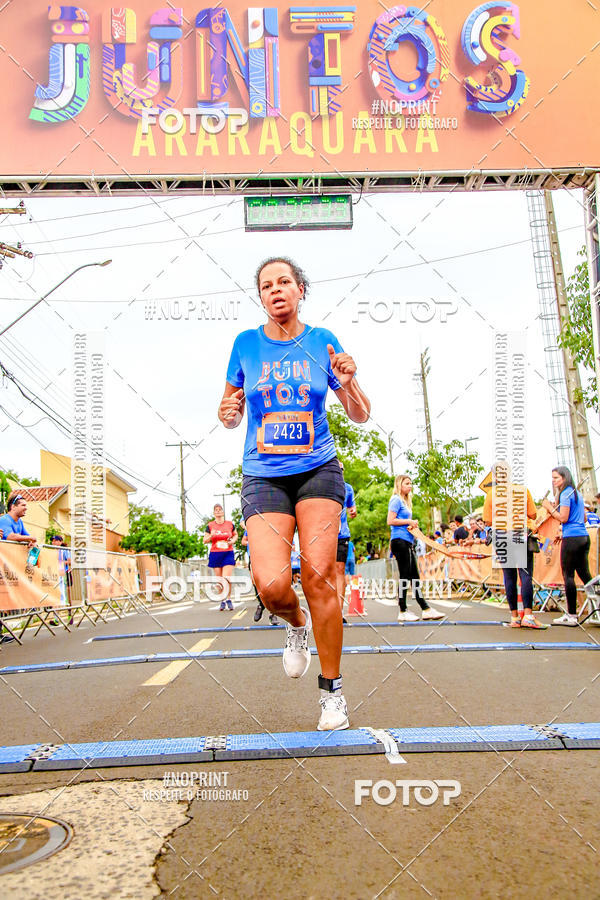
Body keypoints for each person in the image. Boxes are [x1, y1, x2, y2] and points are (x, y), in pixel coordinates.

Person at [218, 256, 370, 731]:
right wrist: (227, 410)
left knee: (321, 575)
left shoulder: (322, 342)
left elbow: (360, 413)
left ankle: (332, 693)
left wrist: (348, 384)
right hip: (264, 475)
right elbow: (228, 413)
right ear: (260, 296)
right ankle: (295, 624)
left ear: (301, 290)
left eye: (284, 282)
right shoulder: (245, 345)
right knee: (272, 585)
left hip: (318, 469)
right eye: (266, 286)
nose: (275, 291)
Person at [483, 469, 546, 628]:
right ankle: (528, 616)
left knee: (509, 576)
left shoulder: (491, 494)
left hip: (501, 535)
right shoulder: (522, 490)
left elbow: (488, 520)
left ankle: (514, 617)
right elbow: (532, 514)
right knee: (525, 575)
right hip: (519, 533)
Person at [387, 475, 443, 622]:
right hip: (399, 542)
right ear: (400, 484)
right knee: (405, 576)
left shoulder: (406, 502)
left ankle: (425, 609)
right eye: (407, 483)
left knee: (415, 577)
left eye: (411, 483)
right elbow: (390, 521)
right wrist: (409, 521)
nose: (410, 486)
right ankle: (403, 610)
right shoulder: (396, 499)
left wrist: (411, 526)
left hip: (408, 541)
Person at [542, 466, 592, 626]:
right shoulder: (576, 494)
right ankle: (595, 607)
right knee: (585, 575)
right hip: (583, 537)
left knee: (568, 575)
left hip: (572, 538)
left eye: (556, 478)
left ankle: (571, 615)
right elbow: (583, 518)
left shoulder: (566, 494)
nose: (553, 480)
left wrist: (549, 508)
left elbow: (563, 518)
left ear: (564, 478)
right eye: (552, 477)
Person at [203, 504, 237, 611]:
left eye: (220, 510)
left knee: (226, 578)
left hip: (228, 552)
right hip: (215, 553)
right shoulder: (210, 525)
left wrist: (232, 541)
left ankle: (228, 599)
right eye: (216, 510)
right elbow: (205, 540)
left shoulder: (230, 524)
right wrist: (211, 535)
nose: (218, 512)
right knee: (220, 579)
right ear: (214, 513)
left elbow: (235, 535)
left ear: (223, 512)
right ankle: (222, 600)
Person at [242, 528, 277, 625]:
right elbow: (243, 541)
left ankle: (272, 613)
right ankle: (261, 605)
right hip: (253, 556)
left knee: (270, 582)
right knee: (255, 582)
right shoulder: (250, 526)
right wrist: (252, 542)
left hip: (268, 556)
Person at [336, 461, 356, 624]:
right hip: (322, 535)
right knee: (322, 574)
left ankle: (338, 611)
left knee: (339, 571)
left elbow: (351, 507)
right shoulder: (322, 485)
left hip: (342, 534)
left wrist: (353, 511)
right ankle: (324, 610)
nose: (340, 472)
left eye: (342, 469)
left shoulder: (347, 488)